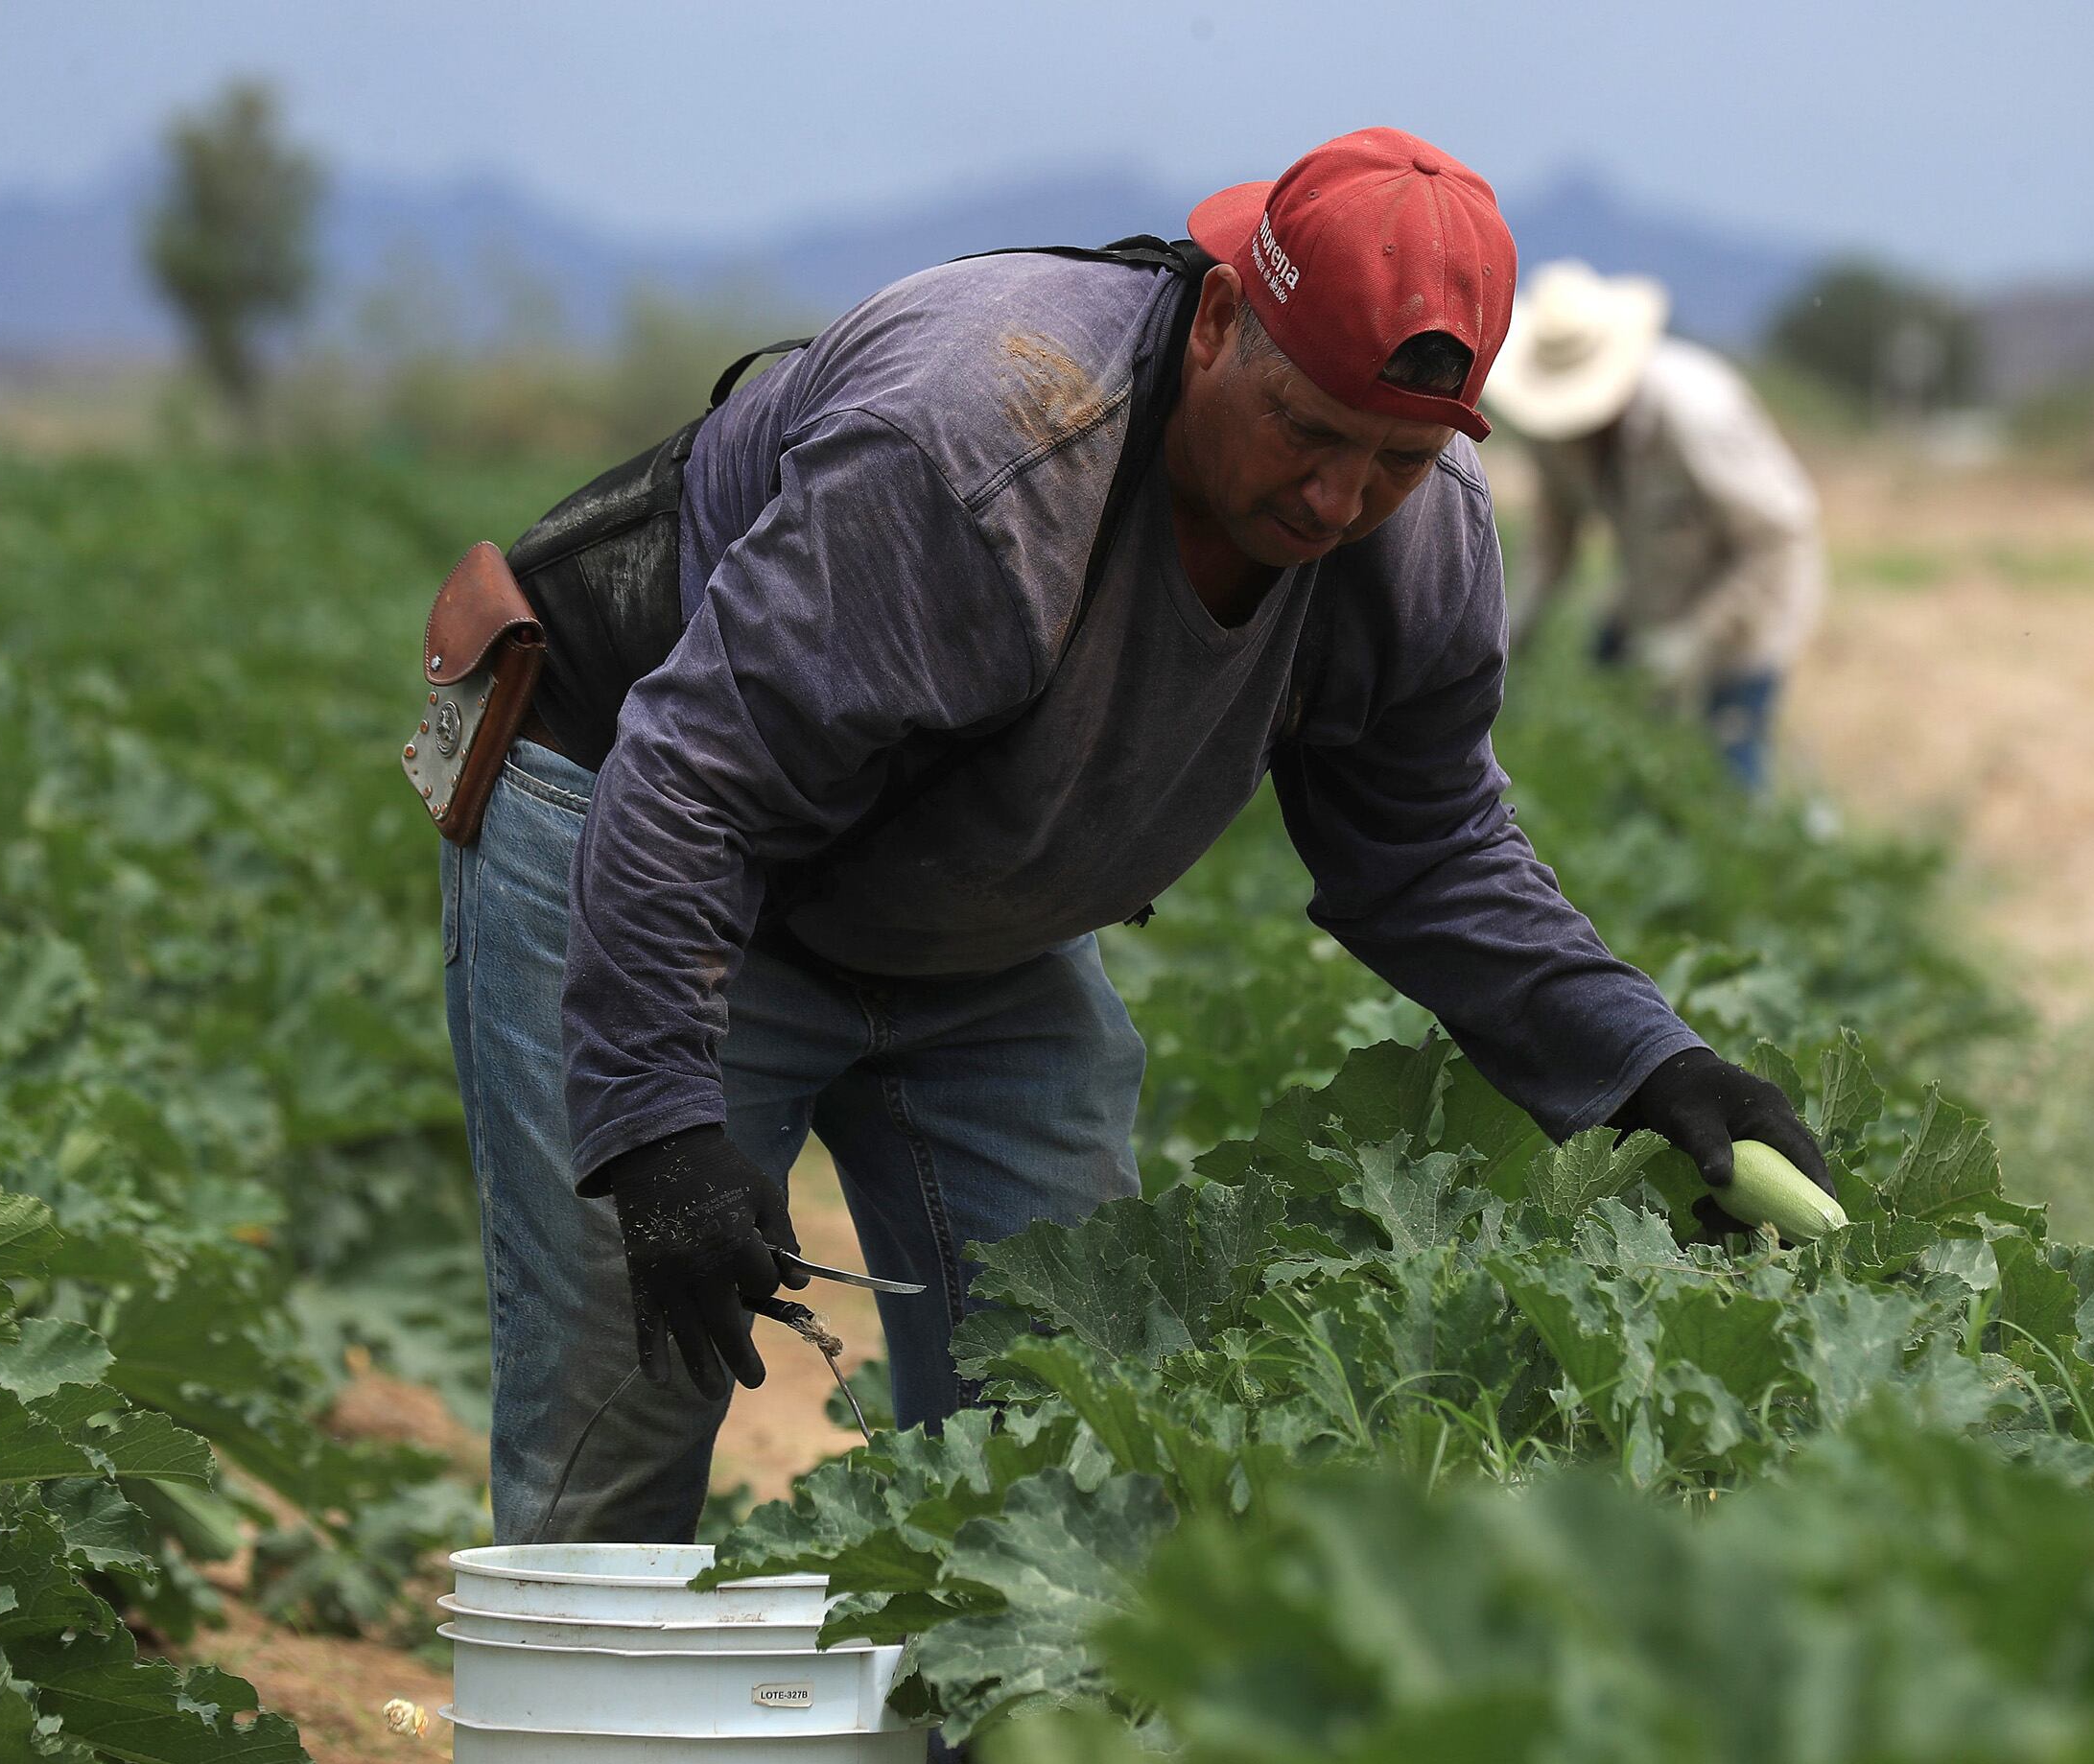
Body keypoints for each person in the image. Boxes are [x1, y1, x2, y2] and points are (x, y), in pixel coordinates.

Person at [441, 129, 1832, 1549]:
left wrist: (1647, 1065)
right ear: (1223, 320)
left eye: (1399, 459)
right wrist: (660, 1125)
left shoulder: (1415, 546)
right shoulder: (983, 444)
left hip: (967, 915)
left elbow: (1431, 850)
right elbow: (697, 780)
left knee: (1077, 1435)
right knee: (623, 1412)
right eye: (1307, 430)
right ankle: (585, 1757)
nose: (1337, 499)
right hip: (639, 826)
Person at [1480, 259, 1827, 789]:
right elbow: (1554, 545)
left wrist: (1696, 639)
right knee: (1623, 754)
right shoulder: (1553, 431)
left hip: (1747, 609)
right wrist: (1504, 645)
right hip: (1652, 593)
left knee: (1729, 766)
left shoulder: (1694, 413)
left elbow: (1780, 538)